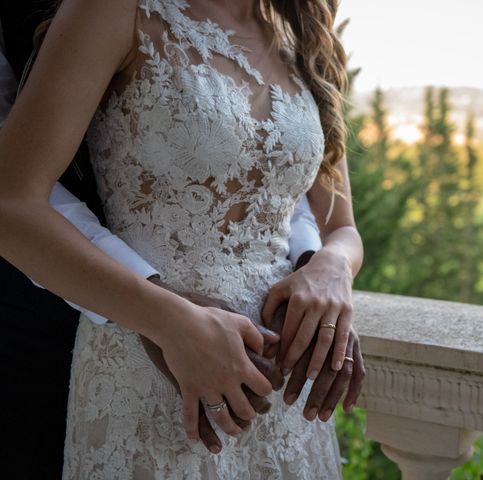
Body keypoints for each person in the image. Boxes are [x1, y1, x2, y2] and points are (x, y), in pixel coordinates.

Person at [0, 0, 364, 478]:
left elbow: (340, 226)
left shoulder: (298, 31)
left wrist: (332, 269)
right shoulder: (110, 11)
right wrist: (170, 323)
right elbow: (10, 207)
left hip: (286, 383)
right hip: (153, 370)